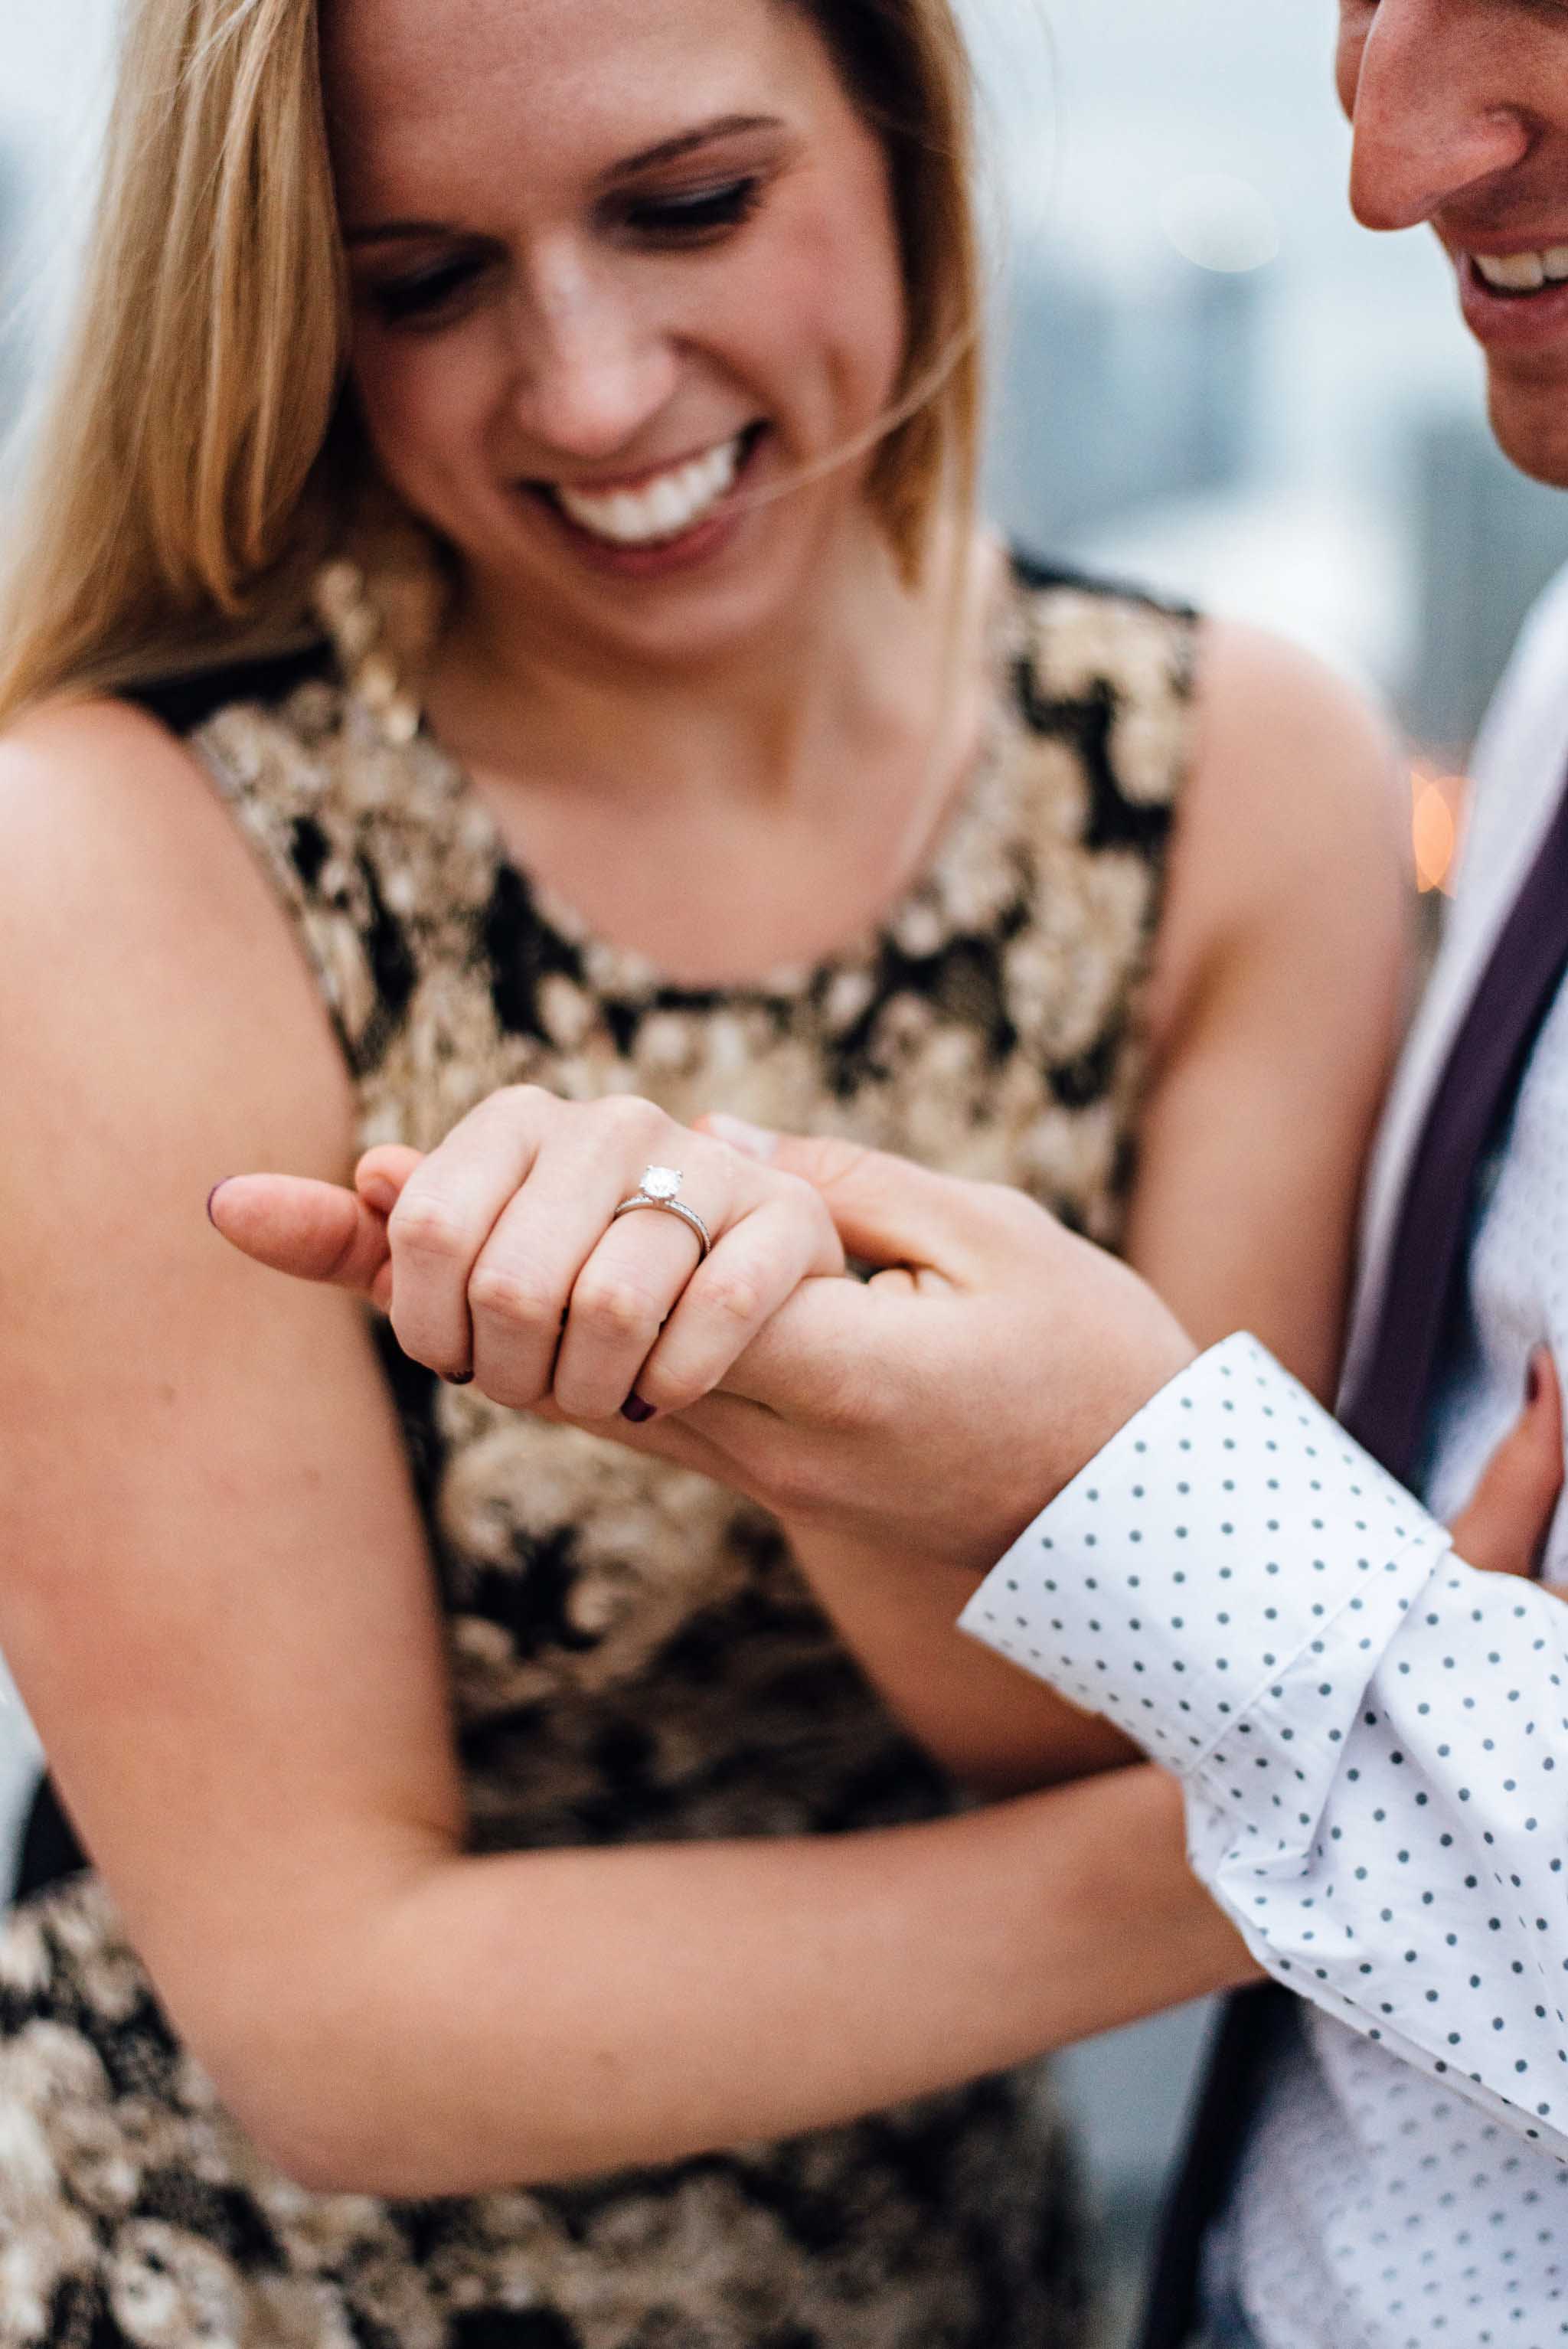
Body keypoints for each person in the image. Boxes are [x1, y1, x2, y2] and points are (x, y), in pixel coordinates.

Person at [0, 0, 1448, 2341]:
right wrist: (1419, 1824)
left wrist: (811, 1408)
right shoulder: (112, 850)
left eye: (689, 207)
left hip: (952, 2282)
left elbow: (1088, 1714)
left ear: (900, 133)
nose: (586, 391)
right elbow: (339, 2029)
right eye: (422, 281)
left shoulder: (1233, 774)